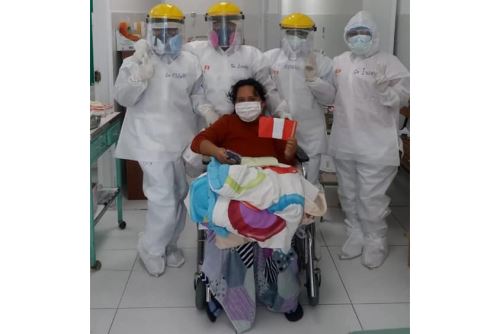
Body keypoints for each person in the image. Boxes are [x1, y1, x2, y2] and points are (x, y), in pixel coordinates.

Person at [190, 78, 304, 331]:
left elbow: (286, 160)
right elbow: (199, 142)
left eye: (251, 99)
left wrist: (289, 150)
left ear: (262, 103)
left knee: (282, 217)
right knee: (223, 221)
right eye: (240, 100)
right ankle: (224, 292)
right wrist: (218, 152)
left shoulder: (271, 125)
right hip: (236, 179)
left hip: (269, 179)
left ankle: (283, 294)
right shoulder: (227, 123)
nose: (246, 105)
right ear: (234, 104)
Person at [113, 3, 205, 277]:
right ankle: (150, 248)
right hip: (149, 141)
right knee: (163, 199)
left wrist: (206, 110)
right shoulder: (136, 60)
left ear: (181, 30)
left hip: (181, 139)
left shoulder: (189, 62)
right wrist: (139, 77)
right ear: (151, 29)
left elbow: (196, 94)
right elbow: (123, 98)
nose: (166, 36)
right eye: (161, 30)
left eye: (172, 31)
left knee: (179, 195)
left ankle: (170, 245)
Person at [327, 11, 410, 269]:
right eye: (354, 34)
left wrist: (388, 91)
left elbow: (406, 95)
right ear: (346, 36)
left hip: (376, 142)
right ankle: (355, 234)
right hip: (345, 139)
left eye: (365, 34)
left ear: (375, 35)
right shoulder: (340, 61)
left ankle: (375, 241)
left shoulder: (388, 61)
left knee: (371, 197)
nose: (359, 38)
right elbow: (330, 92)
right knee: (348, 193)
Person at [184, 1, 288, 128]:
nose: (223, 28)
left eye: (229, 24)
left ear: (237, 26)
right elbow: (195, 91)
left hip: (244, 122)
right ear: (211, 26)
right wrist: (207, 112)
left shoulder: (252, 55)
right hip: (207, 125)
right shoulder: (197, 51)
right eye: (217, 24)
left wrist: (281, 111)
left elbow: (267, 89)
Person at [264, 13, 335, 187]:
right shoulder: (269, 58)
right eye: (291, 33)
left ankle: (308, 213)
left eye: (302, 34)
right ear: (283, 33)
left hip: (311, 132)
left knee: (309, 183)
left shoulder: (322, 62)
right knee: (278, 180)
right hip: (279, 126)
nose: (296, 38)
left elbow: (330, 99)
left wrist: (314, 81)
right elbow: (265, 88)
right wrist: (280, 108)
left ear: (310, 35)